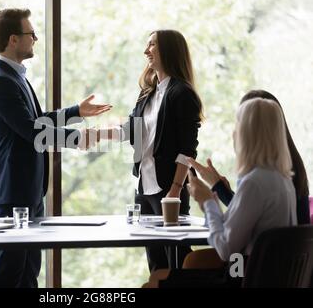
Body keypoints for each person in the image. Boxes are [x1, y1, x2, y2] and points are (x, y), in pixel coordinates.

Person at [0, 8, 111, 288]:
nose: (36, 38)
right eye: (31, 33)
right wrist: (78, 139)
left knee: (28, 273)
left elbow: (36, 121)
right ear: (14, 39)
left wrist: (77, 111)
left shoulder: (14, 76)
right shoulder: (1, 81)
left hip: (27, 189)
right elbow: (31, 130)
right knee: (12, 273)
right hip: (13, 189)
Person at [144, 98, 297, 287]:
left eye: (238, 125)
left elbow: (226, 249)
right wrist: (214, 191)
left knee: (156, 279)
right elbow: (236, 230)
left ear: (246, 134)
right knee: (180, 268)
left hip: (242, 277)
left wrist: (209, 203)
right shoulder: (283, 180)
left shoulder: (253, 183)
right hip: (269, 276)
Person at [99, 30, 203, 271]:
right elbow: (130, 129)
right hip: (144, 188)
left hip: (169, 190)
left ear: (169, 50)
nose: (146, 51)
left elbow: (187, 150)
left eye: (152, 45)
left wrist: (175, 191)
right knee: (156, 262)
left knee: (176, 260)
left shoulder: (182, 94)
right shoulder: (148, 93)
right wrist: (94, 135)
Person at [189, 90, 310, 224]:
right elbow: (253, 215)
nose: (236, 131)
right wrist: (221, 188)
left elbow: (229, 240)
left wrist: (210, 201)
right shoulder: (288, 169)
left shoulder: (260, 178)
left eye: (241, 121)